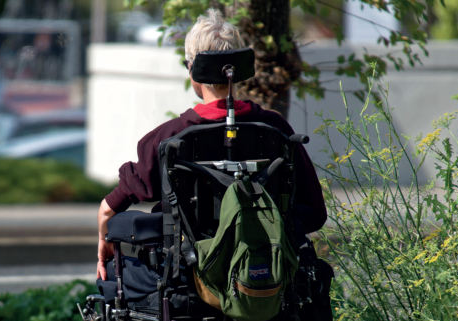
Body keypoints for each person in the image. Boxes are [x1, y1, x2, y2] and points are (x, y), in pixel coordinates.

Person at [96, 9, 326, 281]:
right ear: (240, 67)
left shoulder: (169, 137)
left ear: (192, 68)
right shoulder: (276, 131)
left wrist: (104, 245)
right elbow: (316, 213)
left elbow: (108, 210)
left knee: (115, 271)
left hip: (187, 278)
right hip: (266, 276)